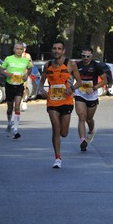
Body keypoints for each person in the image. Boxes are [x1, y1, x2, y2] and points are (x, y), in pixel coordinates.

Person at [38, 40, 82, 168]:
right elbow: (41, 82)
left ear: (63, 51)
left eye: (59, 48)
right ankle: (57, 158)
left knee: (64, 133)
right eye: (54, 48)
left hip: (66, 101)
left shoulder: (71, 64)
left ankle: (58, 155)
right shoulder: (48, 65)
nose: (56, 51)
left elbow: (79, 82)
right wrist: (42, 90)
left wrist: (71, 89)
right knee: (56, 128)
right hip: (52, 101)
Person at [74, 46, 107, 151]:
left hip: (92, 95)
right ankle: (82, 140)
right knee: (81, 117)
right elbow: (70, 78)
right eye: (83, 56)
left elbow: (104, 80)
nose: (85, 58)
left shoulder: (97, 66)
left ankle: (91, 130)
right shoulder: (77, 65)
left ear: (91, 56)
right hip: (80, 93)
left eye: (88, 56)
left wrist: (94, 88)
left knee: (89, 118)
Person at [0, 42, 32, 139]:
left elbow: (30, 68)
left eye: (21, 49)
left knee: (17, 106)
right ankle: (9, 122)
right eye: (17, 49)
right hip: (10, 85)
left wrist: (26, 75)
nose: (19, 50)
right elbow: (0, 70)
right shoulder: (8, 59)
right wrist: (7, 74)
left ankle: (16, 129)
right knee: (10, 107)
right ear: (14, 49)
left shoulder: (26, 60)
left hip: (19, 85)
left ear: (23, 50)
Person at [20, 43, 33, 111]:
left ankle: (24, 101)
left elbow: (31, 65)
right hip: (16, 74)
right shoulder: (16, 55)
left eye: (24, 48)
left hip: (24, 74)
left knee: (24, 88)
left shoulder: (27, 55)